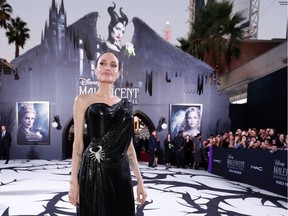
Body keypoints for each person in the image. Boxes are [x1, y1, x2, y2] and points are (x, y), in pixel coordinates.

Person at [68, 51, 147, 215]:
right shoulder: (82, 100)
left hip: (121, 172)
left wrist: (140, 181)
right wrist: (73, 182)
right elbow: (78, 143)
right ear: (95, 70)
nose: (107, 68)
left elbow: (129, 146)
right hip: (94, 170)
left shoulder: (126, 105)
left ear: (118, 73)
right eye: (102, 64)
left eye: (113, 65)